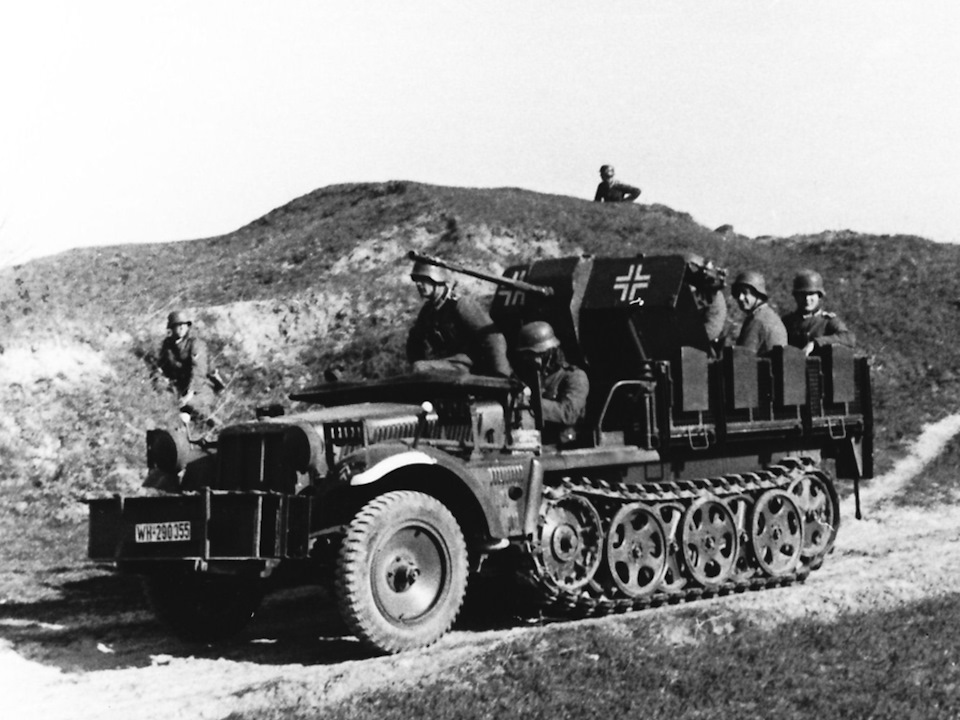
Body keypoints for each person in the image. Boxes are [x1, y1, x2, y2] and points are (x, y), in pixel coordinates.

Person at [406, 259, 512, 377]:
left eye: (423, 279)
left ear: (437, 278)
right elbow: (415, 342)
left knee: (420, 368)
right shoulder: (428, 311)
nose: (418, 284)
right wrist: (416, 362)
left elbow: (493, 337)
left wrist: (502, 375)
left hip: (469, 366)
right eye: (416, 280)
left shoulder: (461, 304)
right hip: (449, 364)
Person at [515, 321, 589, 436]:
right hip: (533, 437)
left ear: (549, 353)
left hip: (564, 442)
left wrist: (529, 401)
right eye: (526, 354)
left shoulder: (575, 376)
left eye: (534, 353)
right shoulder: (529, 375)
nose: (528, 358)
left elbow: (568, 414)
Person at [158, 310, 218, 425]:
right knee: (174, 406)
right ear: (171, 328)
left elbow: (198, 371)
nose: (181, 328)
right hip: (182, 387)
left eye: (184, 325)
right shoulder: (168, 345)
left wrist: (189, 395)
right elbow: (162, 366)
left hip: (202, 387)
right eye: (177, 325)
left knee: (191, 405)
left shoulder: (195, 343)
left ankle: (218, 428)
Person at [781, 269, 856, 355]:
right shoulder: (787, 321)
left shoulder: (827, 321)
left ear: (819, 296)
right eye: (802, 294)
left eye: (811, 294)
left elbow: (849, 338)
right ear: (796, 296)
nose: (807, 299)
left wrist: (816, 343)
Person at [732, 271, 787, 355]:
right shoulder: (767, 314)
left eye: (745, 292)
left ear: (757, 293)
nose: (740, 298)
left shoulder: (757, 320)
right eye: (738, 293)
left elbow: (743, 358)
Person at [683, 252, 727, 345]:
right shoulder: (677, 290)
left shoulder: (714, 296)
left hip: (701, 346)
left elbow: (712, 329)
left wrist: (686, 338)